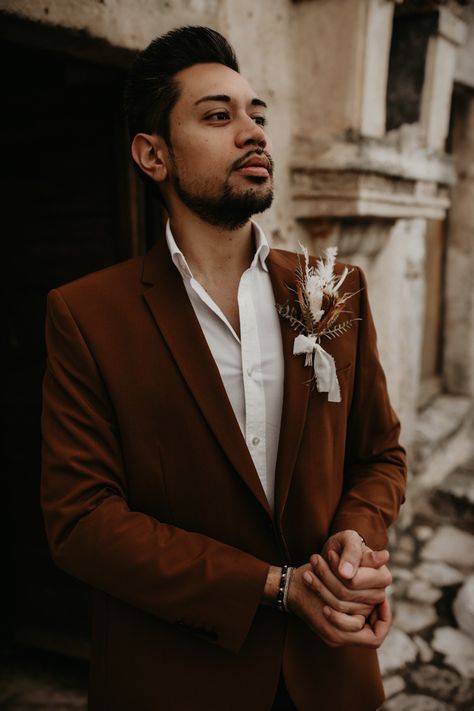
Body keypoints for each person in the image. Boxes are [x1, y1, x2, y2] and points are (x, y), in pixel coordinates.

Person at [41, 26, 406, 711]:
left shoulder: (333, 290)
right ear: (153, 155)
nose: (253, 133)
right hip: (176, 678)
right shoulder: (86, 316)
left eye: (257, 115)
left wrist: (355, 540)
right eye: (219, 115)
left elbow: (381, 455)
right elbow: (81, 522)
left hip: (331, 672)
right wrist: (274, 585)